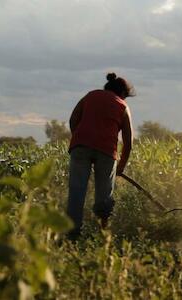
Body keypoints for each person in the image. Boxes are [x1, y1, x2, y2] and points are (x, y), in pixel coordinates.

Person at [66, 73, 134, 239]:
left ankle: (72, 236)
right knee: (104, 197)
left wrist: (80, 137)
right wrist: (121, 167)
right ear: (123, 94)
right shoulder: (122, 106)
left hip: (80, 147)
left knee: (76, 192)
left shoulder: (91, 96)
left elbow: (73, 119)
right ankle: (104, 236)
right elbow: (128, 142)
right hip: (106, 151)